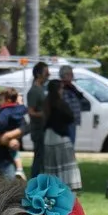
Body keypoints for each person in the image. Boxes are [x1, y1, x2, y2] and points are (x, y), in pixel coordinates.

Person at [38, 61, 88, 190]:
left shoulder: (70, 89)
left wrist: (73, 88)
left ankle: (56, 184)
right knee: (65, 157)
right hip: (60, 132)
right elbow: (66, 114)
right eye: (70, 74)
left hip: (56, 132)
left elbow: (83, 100)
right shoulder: (58, 99)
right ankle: (65, 185)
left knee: (58, 158)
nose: (71, 77)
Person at [0, 85, 28, 177]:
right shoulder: (19, 109)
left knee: (13, 148)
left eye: (1, 98)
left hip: (4, 135)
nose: (0, 100)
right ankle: (20, 169)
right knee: (15, 152)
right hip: (14, 136)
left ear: (7, 99)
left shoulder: (4, 111)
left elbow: (2, 123)